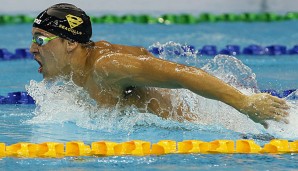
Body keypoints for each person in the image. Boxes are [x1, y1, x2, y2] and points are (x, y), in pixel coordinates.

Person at [30, 3, 289, 128]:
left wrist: (245, 104)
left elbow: (183, 75)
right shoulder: (74, 76)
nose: (32, 50)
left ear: (70, 43)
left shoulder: (107, 66)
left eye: (39, 40)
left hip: (213, 130)